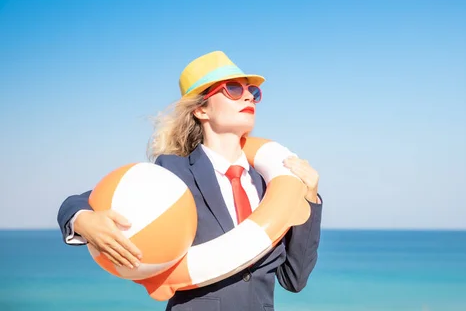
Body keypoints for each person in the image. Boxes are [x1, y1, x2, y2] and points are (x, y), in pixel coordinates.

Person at [57, 50, 323, 311]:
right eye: (233, 89)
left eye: (252, 92)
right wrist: (82, 219)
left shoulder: (271, 187)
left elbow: (294, 279)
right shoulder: (174, 173)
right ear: (201, 110)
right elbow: (87, 200)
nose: (248, 97)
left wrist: (310, 198)